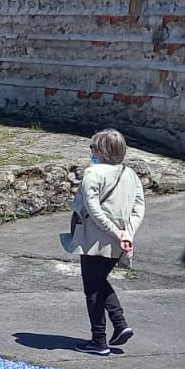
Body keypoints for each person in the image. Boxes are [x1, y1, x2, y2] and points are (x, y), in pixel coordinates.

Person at [62, 129, 146, 356]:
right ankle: (119, 324)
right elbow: (139, 208)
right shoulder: (130, 174)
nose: (91, 152)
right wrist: (127, 233)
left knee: (92, 289)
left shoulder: (93, 173)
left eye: (93, 148)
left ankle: (99, 340)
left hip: (94, 238)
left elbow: (93, 208)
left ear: (101, 151)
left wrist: (115, 232)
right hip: (119, 240)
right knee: (99, 282)